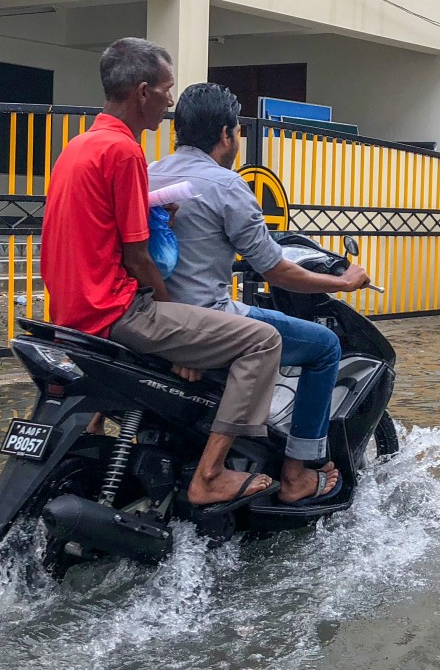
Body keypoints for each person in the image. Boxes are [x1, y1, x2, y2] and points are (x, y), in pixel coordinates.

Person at [39, 38, 283, 511]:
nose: (171, 102)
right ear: (144, 92)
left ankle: (100, 433)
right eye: (167, 90)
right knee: (263, 341)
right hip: (115, 310)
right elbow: (138, 260)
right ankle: (210, 475)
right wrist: (175, 316)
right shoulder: (125, 152)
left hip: (68, 312)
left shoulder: (80, 147)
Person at [149, 83, 371, 505]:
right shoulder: (227, 186)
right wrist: (343, 282)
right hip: (211, 318)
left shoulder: (150, 172)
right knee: (324, 346)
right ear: (226, 135)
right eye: (237, 131)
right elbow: (277, 270)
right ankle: (296, 474)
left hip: (158, 317)